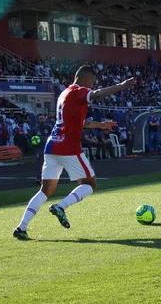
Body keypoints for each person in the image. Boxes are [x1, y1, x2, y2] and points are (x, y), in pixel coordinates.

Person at [13, 66, 134, 240]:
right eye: (91, 82)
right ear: (86, 80)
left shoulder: (64, 94)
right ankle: (61, 206)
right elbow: (97, 94)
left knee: (45, 190)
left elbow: (79, 121)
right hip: (68, 146)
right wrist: (121, 85)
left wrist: (101, 126)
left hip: (52, 145)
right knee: (90, 184)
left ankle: (21, 227)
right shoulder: (79, 91)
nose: (92, 86)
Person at [31, 114, 53, 185]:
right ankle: (39, 178)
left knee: (49, 164)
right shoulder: (35, 129)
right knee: (40, 164)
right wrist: (34, 146)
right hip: (39, 149)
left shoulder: (49, 128)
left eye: (43, 118)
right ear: (38, 119)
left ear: (45, 119)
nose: (42, 120)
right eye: (40, 119)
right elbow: (31, 139)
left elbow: (53, 137)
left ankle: (48, 179)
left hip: (48, 149)